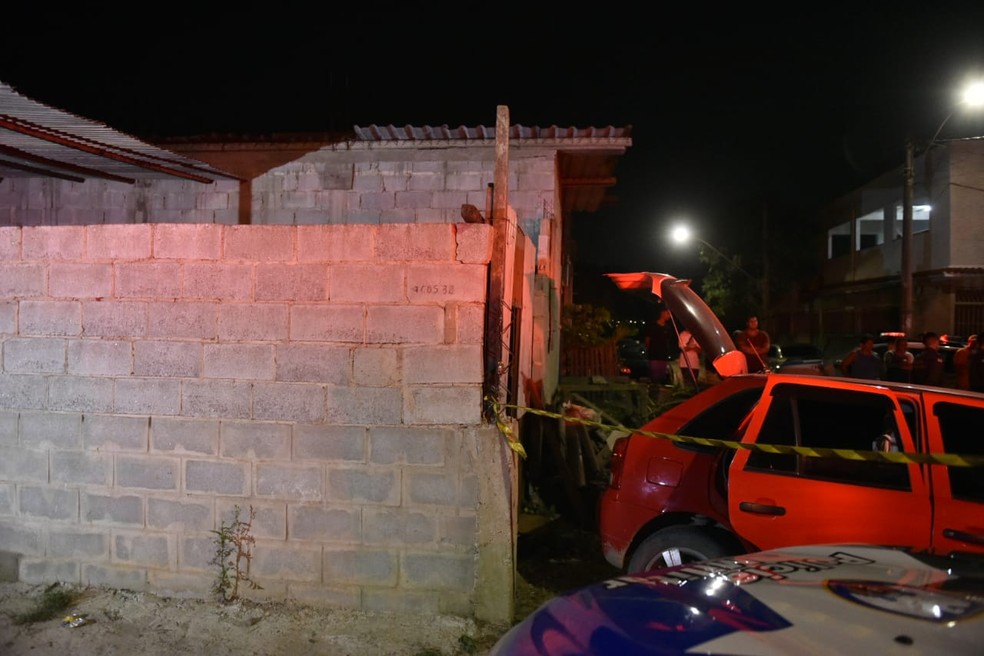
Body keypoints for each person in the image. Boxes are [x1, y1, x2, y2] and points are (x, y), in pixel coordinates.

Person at [645, 306, 677, 385]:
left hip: (663, 356)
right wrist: (650, 350)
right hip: (654, 355)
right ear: (662, 313)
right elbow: (647, 339)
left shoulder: (668, 328)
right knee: (654, 377)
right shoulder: (653, 326)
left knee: (661, 377)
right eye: (668, 314)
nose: (669, 316)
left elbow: (668, 341)